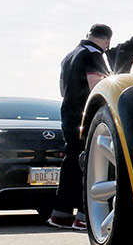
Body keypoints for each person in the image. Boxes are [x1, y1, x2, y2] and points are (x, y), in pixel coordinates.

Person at [47, 24, 112, 230]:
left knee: (71, 163)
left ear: (88, 35)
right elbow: (96, 86)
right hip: (86, 117)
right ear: (108, 40)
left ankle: (61, 215)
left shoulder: (68, 56)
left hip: (68, 115)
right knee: (93, 164)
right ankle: (85, 216)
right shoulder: (94, 54)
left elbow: (61, 90)